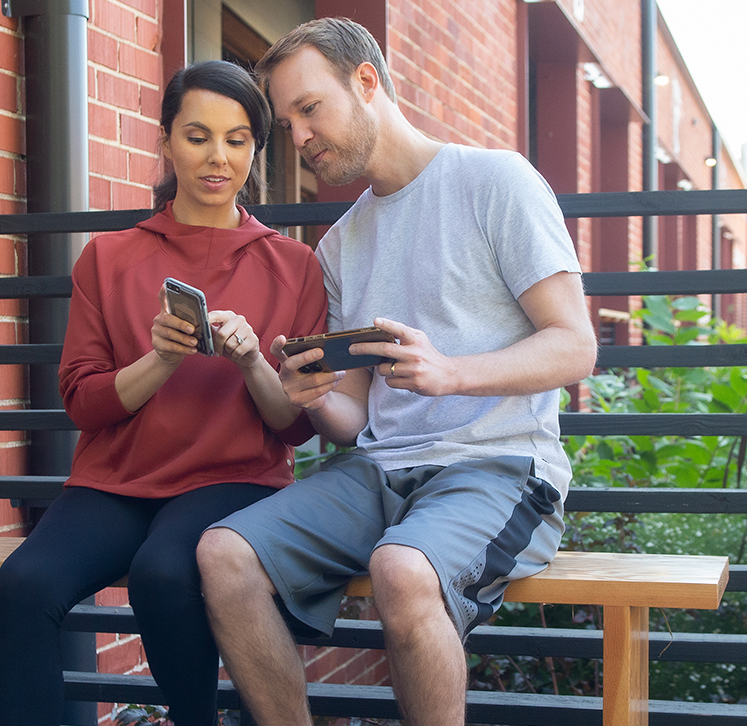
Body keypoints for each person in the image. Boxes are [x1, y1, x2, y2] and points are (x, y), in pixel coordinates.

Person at [195, 17, 598, 726]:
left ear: (367, 81)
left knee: (401, 571)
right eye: (287, 122)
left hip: (499, 466)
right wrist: (313, 397)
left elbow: (574, 346)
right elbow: (353, 419)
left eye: (309, 109)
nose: (299, 136)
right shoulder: (342, 242)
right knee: (223, 555)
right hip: (381, 473)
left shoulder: (493, 181)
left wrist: (451, 373)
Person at [0, 60, 327, 726]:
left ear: (256, 148)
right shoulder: (108, 257)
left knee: (164, 573)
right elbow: (83, 402)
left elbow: (293, 427)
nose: (217, 157)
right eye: (197, 135)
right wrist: (162, 358)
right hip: (114, 482)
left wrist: (254, 359)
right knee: (24, 583)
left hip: (232, 478)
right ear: (167, 141)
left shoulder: (294, 265)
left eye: (237, 139)